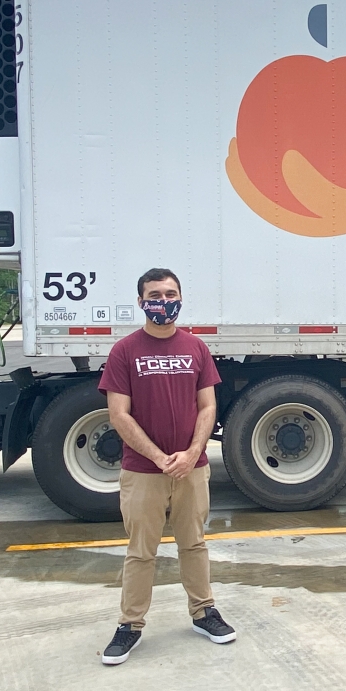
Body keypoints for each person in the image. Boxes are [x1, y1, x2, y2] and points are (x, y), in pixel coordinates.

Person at [97, 267, 235, 665]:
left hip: (191, 468)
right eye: (155, 294)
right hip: (143, 472)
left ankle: (204, 612)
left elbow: (208, 406)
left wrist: (192, 453)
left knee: (194, 543)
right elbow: (119, 415)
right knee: (142, 551)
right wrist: (159, 459)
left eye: (171, 293)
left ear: (180, 297)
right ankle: (130, 625)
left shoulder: (196, 348)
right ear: (141, 302)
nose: (164, 301)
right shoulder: (125, 351)